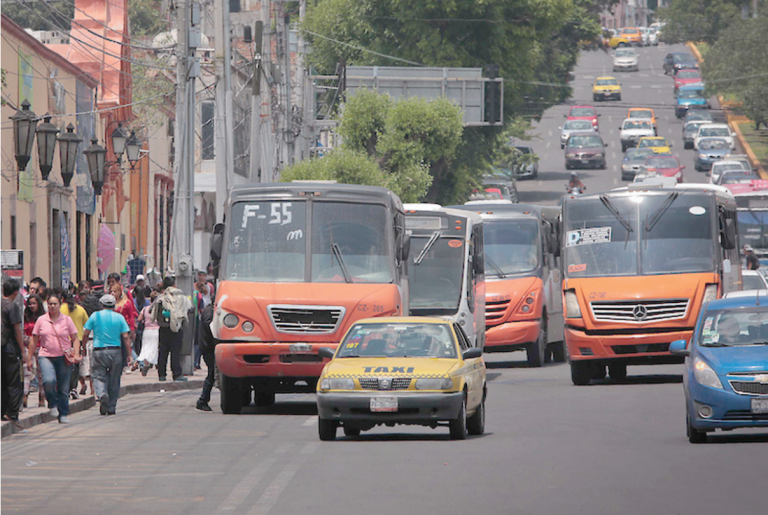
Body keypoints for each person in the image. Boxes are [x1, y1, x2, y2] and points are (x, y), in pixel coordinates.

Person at [29, 293, 81, 424]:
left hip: (63, 357)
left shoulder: (67, 320)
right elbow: (34, 339)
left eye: (55, 304)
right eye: (50, 304)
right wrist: (29, 357)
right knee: (48, 381)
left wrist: (75, 353)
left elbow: (75, 338)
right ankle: (52, 403)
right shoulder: (41, 320)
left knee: (64, 388)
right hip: (46, 356)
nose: (52, 306)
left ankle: (63, 413)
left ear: (60, 304)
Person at [82, 295, 131, 415]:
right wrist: (129, 354)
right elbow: (125, 336)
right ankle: (111, 407)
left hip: (99, 351)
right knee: (114, 379)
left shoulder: (95, 316)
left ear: (101, 304)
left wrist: (83, 347)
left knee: (98, 376)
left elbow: (85, 333)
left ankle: (102, 394)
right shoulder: (119, 317)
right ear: (114, 305)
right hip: (116, 351)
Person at [151, 276, 191, 382]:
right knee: (175, 352)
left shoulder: (160, 297)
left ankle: (162, 375)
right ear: (174, 285)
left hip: (163, 328)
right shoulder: (180, 296)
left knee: (163, 352)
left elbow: (151, 310)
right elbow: (189, 308)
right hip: (176, 329)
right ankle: (177, 374)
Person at [2, 279, 26, 429]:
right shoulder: (12, 306)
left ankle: (2, 410)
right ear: (16, 292)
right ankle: (12, 413)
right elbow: (17, 330)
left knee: (2, 380)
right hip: (9, 349)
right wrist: (23, 351)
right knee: (14, 382)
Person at [60, 291, 89, 399]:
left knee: (64, 365)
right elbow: (86, 323)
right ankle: (73, 388)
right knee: (75, 365)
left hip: (63, 340)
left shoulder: (60, 309)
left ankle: (66, 388)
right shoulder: (81, 309)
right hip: (78, 339)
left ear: (62, 299)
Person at [23, 294, 46, 408]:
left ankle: (42, 396)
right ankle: (24, 396)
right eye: (30, 303)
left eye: (34, 303)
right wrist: (25, 339)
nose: (31, 306)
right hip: (28, 346)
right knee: (27, 371)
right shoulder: (25, 316)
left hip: (41, 347)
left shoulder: (44, 317)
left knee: (41, 374)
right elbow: (21, 330)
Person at [111, 283, 138, 369]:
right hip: (113, 328)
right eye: (111, 291)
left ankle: (127, 363)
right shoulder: (111, 303)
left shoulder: (126, 303)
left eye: (114, 291)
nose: (112, 293)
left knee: (125, 346)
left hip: (125, 327)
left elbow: (131, 317)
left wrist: (132, 330)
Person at [196, 302, 216, 412]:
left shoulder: (209, 310)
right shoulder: (209, 311)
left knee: (212, 374)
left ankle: (203, 400)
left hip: (208, 347)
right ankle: (202, 400)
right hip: (208, 347)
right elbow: (209, 325)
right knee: (212, 374)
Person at [136, 290, 160, 376]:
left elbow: (139, 319)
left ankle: (145, 364)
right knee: (156, 348)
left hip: (147, 331)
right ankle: (157, 364)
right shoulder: (159, 309)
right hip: (157, 330)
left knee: (146, 348)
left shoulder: (145, 309)